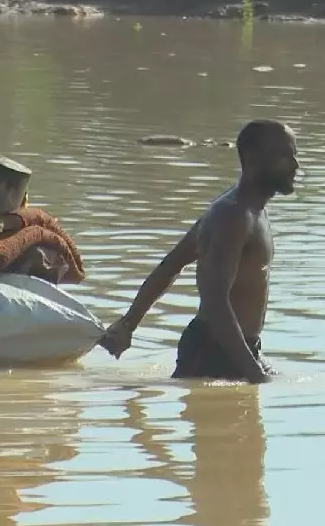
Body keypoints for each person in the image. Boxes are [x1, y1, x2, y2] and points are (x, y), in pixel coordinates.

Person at [98, 119, 299, 384]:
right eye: (284, 157)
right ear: (252, 159)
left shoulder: (249, 209)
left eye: (294, 156)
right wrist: (254, 374)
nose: (295, 165)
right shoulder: (233, 215)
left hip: (235, 351)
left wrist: (128, 325)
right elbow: (215, 300)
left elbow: (172, 263)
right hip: (213, 352)